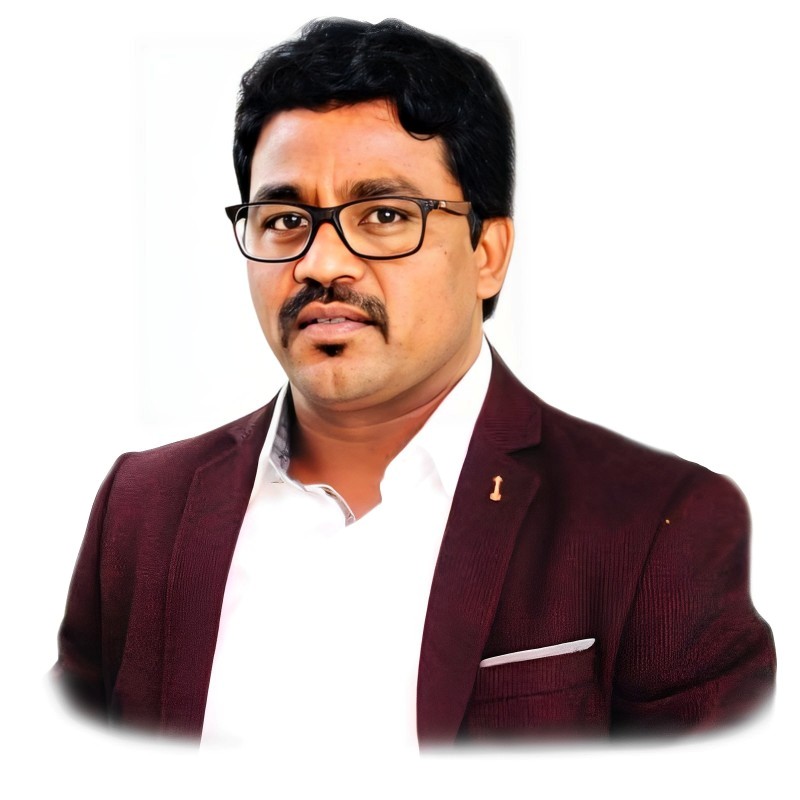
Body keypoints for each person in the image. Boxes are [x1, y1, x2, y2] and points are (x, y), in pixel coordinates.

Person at [53, 17, 775, 748]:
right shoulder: (141, 509)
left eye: (385, 215)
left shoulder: (654, 525)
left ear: (488, 253)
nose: (320, 264)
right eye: (285, 219)